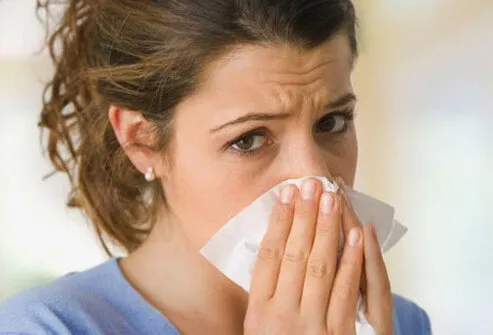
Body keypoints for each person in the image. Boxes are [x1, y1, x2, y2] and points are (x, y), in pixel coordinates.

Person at [0, 0, 432, 334]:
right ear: (140, 140)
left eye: (331, 123)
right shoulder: (50, 326)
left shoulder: (395, 322)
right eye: (248, 139)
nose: (315, 179)